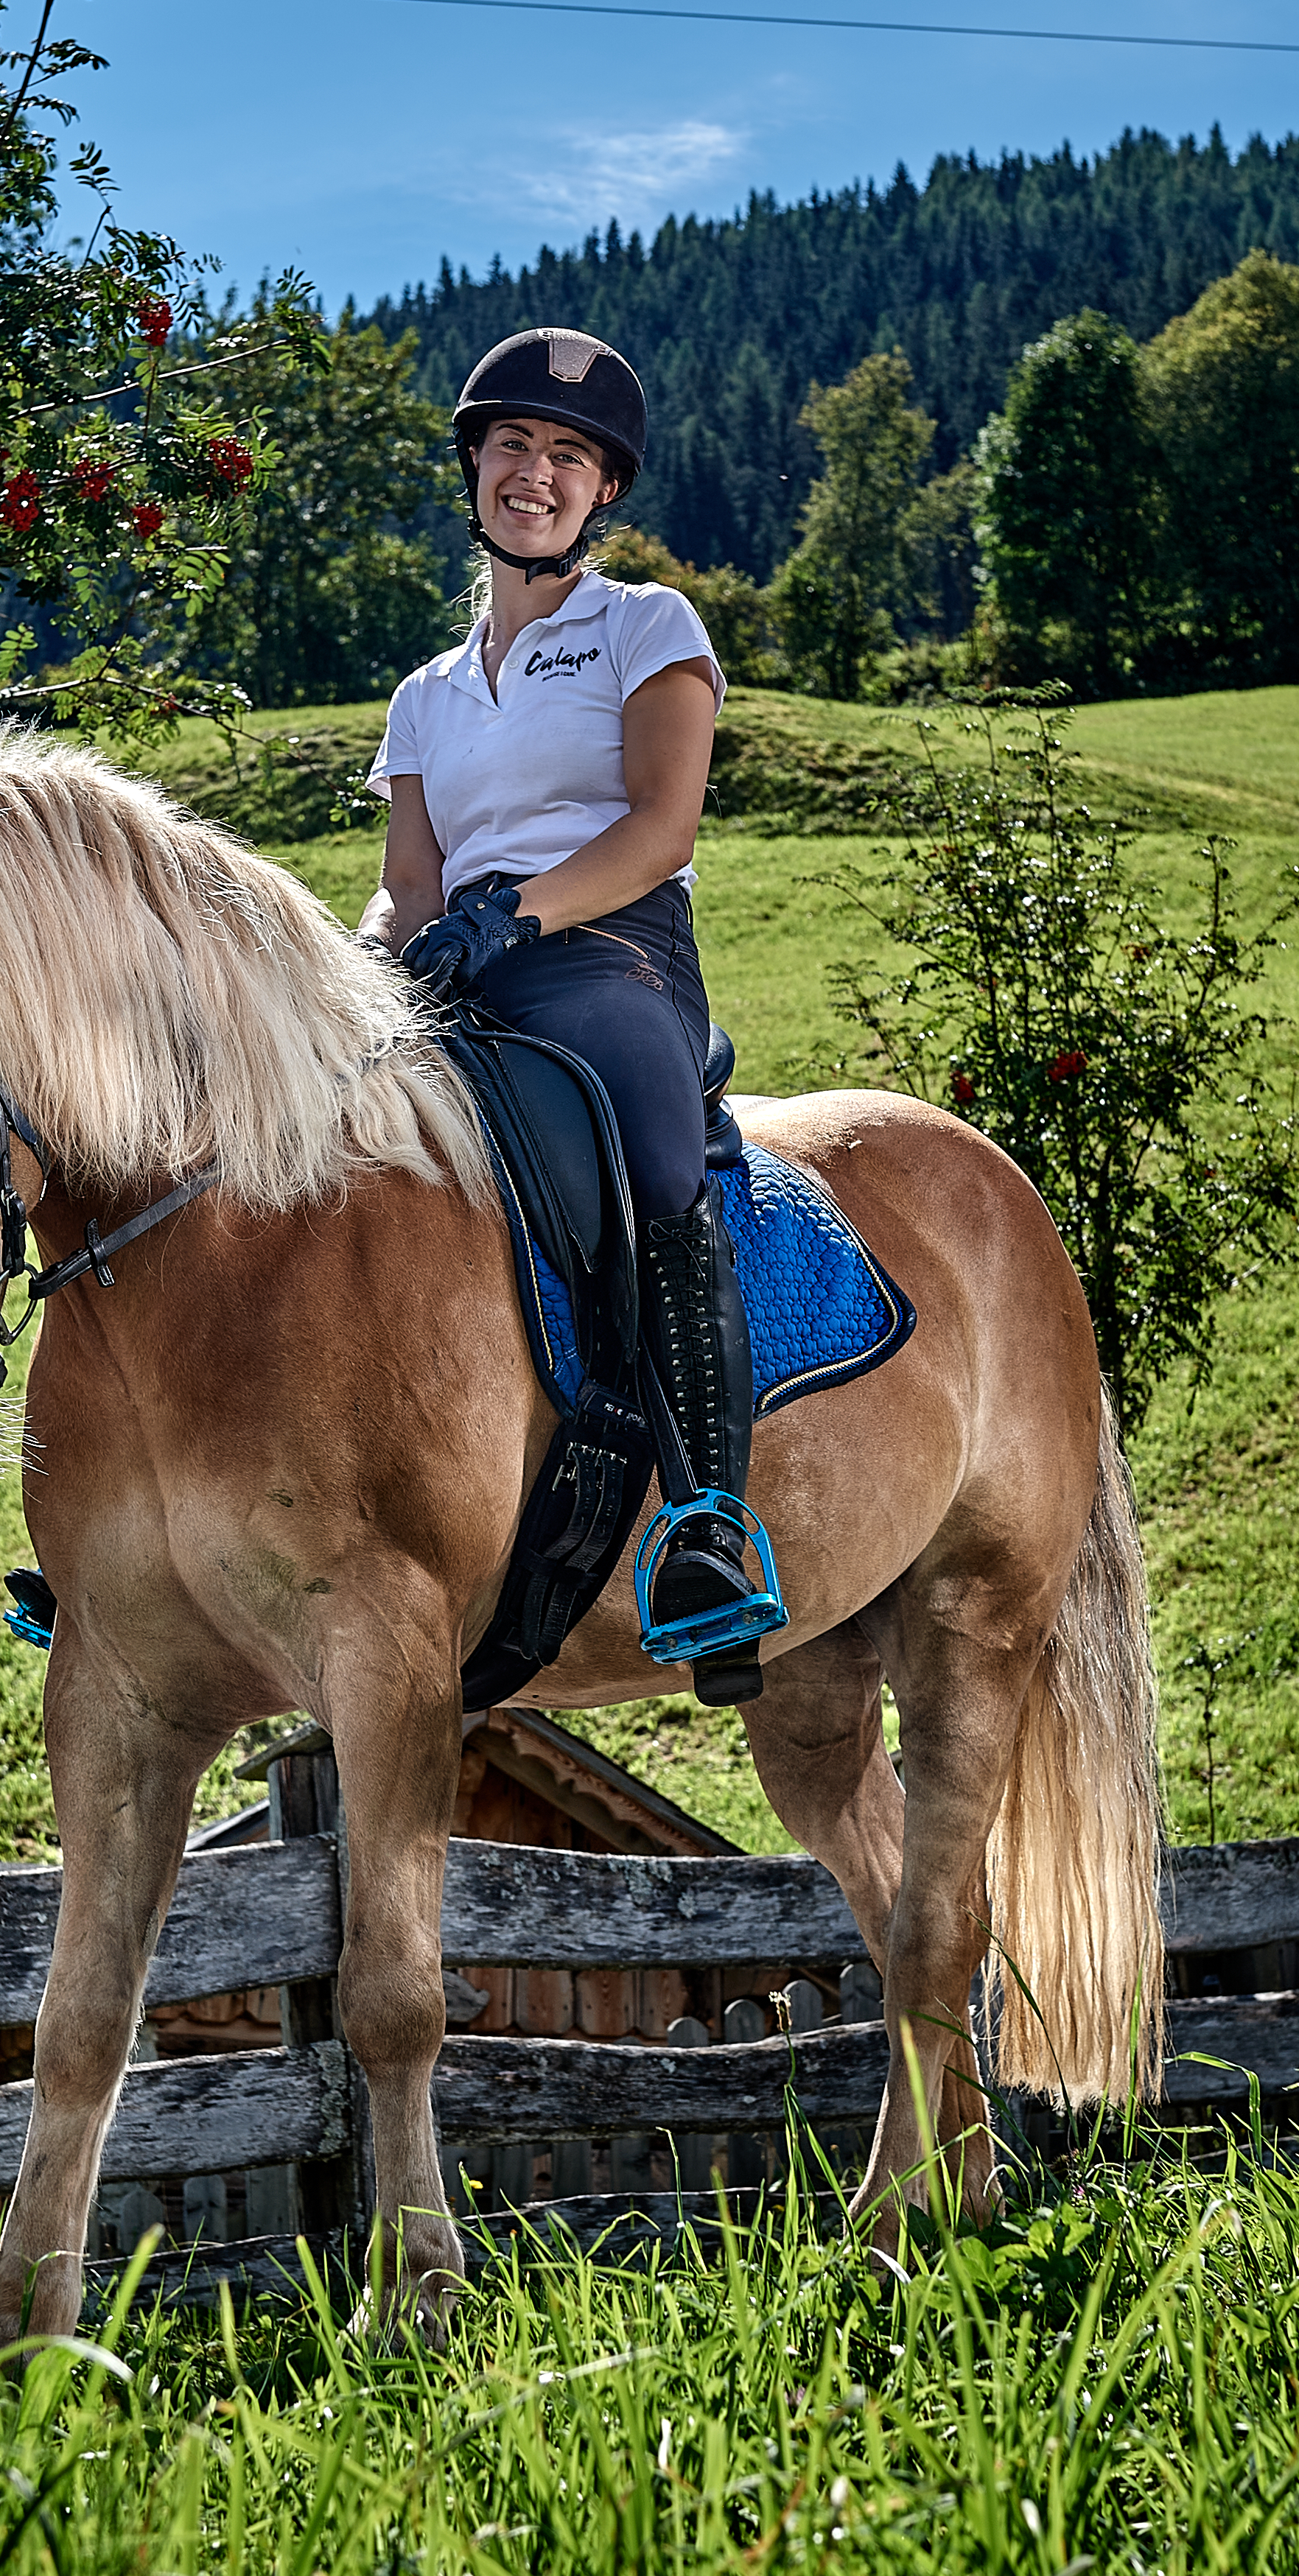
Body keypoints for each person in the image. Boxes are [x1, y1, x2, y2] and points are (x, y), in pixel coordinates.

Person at [370, 326, 782, 1702]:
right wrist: (355, 969)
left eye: (567, 456)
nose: (534, 474)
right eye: (512, 447)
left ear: (602, 491)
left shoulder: (648, 626)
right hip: (459, 964)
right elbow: (410, 883)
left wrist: (517, 916)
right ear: (474, 468)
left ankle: (708, 1524)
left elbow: (663, 827)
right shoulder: (425, 696)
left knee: (656, 1153)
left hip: (612, 954)